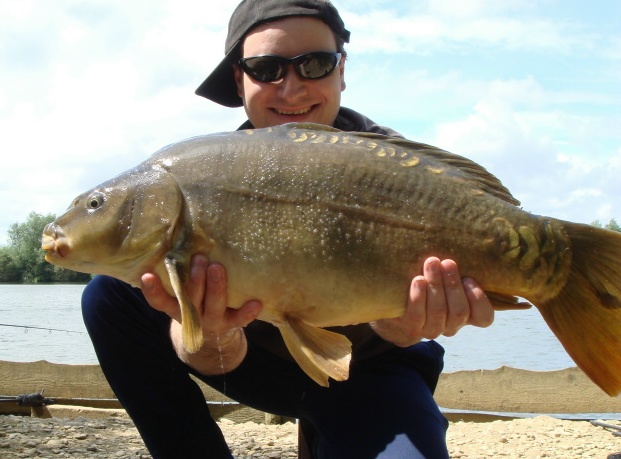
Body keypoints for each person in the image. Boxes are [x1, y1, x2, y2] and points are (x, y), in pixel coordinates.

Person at [82, 1, 495, 458]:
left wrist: (405, 321)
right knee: (109, 294)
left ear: (342, 71)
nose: (292, 88)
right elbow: (218, 357)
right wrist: (213, 330)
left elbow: (399, 331)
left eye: (315, 64)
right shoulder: (208, 175)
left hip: (374, 367)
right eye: (266, 68)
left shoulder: (398, 167)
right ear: (239, 80)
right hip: (255, 359)